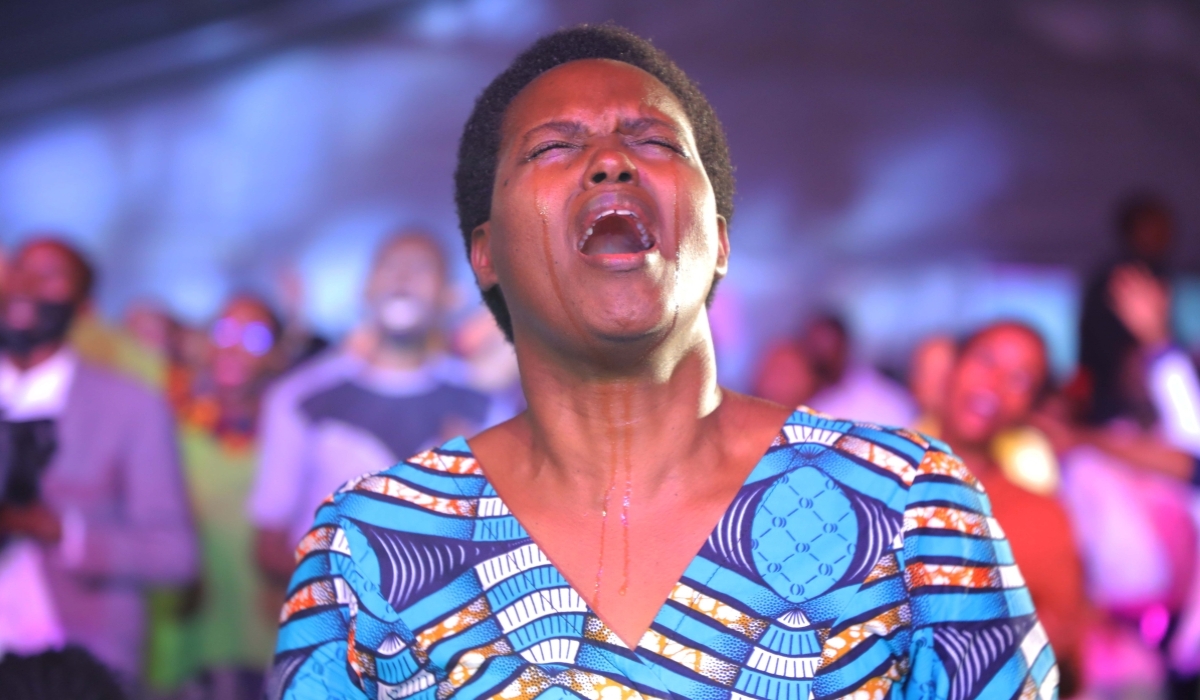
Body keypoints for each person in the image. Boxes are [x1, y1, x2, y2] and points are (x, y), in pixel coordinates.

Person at [268, 25, 1056, 700]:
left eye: (653, 141)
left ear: (718, 237)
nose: (610, 162)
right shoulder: (366, 553)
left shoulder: (910, 508)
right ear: (487, 255)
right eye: (553, 146)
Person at [248, 231, 501, 587]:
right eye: (391, 266)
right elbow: (269, 539)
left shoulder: (486, 408)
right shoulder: (301, 397)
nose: (404, 277)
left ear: (450, 296)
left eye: (422, 268)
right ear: (365, 288)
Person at [0, 238, 197, 684]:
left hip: (77, 663)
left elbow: (175, 555)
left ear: (84, 306)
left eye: (49, 275)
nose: (26, 285)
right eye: (19, 269)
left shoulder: (130, 406)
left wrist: (65, 533)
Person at [147, 295, 286, 696]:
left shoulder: (292, 432)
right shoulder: (169, 420)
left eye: (254, 337)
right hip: (183, 623)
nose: (234, 346)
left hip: (264, 630)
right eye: (224, 331)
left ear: (276, 355)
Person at [938, 321, 1085, 695]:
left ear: (1030, 407)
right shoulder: (870, 481)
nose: (995, 383)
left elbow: (1060, 639)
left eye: (1020, 379)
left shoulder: (1041, 517)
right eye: (986, 360)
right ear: (951, 366)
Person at [1079, 194, 1176, 425]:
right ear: (1131, 231)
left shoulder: (1159, 273)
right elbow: (1102, 343)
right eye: (1154, 227)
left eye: (1167, 228)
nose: (1163, 236)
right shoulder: (1119, 279)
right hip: (1114, 401)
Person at [802, 313, 917, 427]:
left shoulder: (883, 399)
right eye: (814, 345)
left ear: (843, 346)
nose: (820, 353)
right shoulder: (806, 403)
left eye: (826, 344)